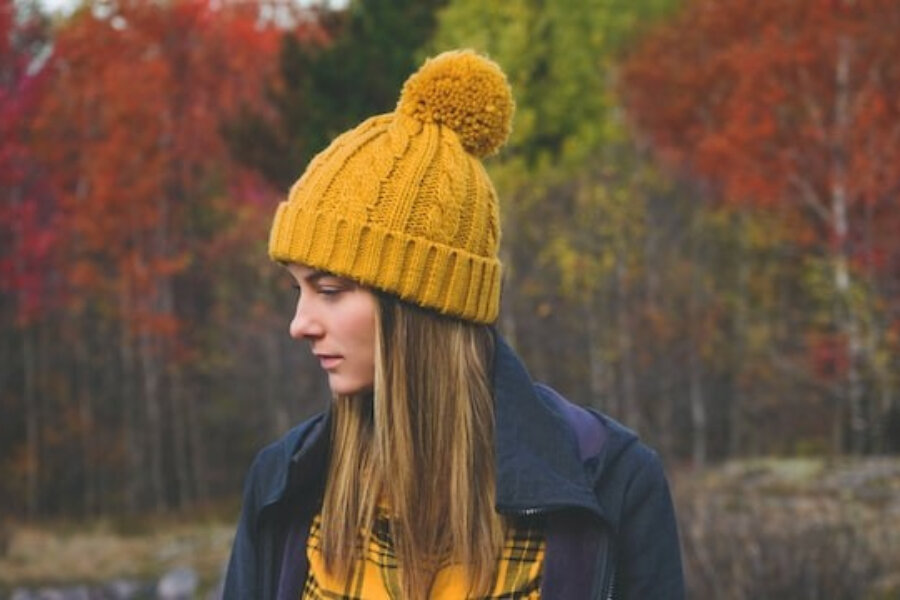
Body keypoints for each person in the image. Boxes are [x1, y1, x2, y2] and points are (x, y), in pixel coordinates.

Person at [223, 49, 684, 600]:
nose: (299, 324)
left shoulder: (611, 484)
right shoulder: (285, 486)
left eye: (329, 290)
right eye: (296, 290)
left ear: (423, 303)